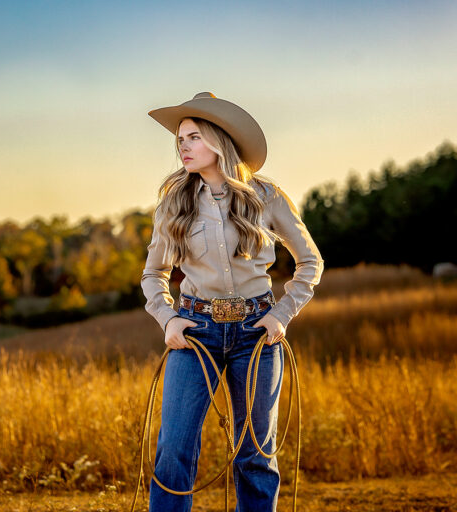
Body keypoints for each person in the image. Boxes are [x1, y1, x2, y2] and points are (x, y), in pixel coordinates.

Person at [141, 92, 325, 512]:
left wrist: (281, 314)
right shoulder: (174, 201)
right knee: (174, 451)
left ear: (219, 140)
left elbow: (310, 261)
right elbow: (154, 274)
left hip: (257, 334)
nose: (183, 147)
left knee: (257, 455)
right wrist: (169, 320)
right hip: (195, 333)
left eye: (193, 137)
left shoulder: (266, 195)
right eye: (180, 140)